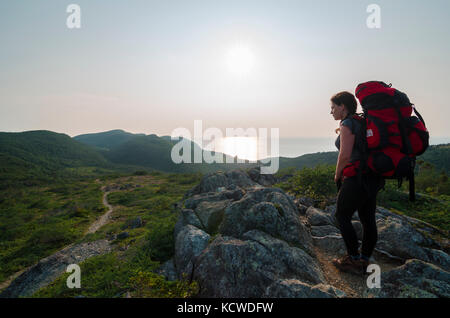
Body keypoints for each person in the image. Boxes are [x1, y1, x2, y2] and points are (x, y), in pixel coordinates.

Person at [329, 91, 385, 274]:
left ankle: (353, 259)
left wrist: (337, 175)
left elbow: (344, 155)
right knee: (367, 218)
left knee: (342, 215)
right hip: (373, 176)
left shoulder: (347, 123)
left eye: (333, 107)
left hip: (357, 177)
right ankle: (364, 260)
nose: (331, 112)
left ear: (342, 106)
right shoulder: (361, 121)